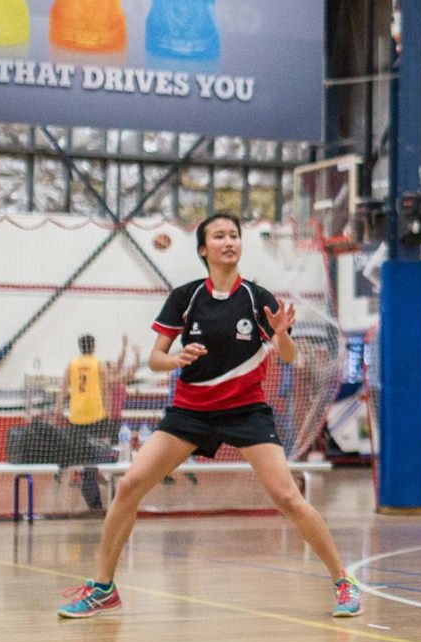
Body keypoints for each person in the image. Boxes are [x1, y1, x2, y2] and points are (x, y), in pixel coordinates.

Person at [57, 213, 361, 620]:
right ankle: (103, 588)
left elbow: (289, 357)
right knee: (129, 485)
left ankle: (343, 580)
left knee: (287, 496)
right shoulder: (185, 298)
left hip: (245, 411)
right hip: (191, 411)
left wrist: (281, 335)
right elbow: (156, 357)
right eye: (219, 236)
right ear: (204, 249)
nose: (229, 241)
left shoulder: (257, 298)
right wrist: (176, 358)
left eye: (234, 235)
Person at [60, 333, 139, 510]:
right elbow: (120, 365)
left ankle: (103, 483)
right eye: (112, 366)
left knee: (111, 455)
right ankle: (92, 482)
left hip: (115, 423)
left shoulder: (116, 379)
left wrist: (131, 353)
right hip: (104, 421)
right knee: (97, 455)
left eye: (115, 367)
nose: (115, 367)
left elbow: (126, 369)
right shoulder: (106, 379)